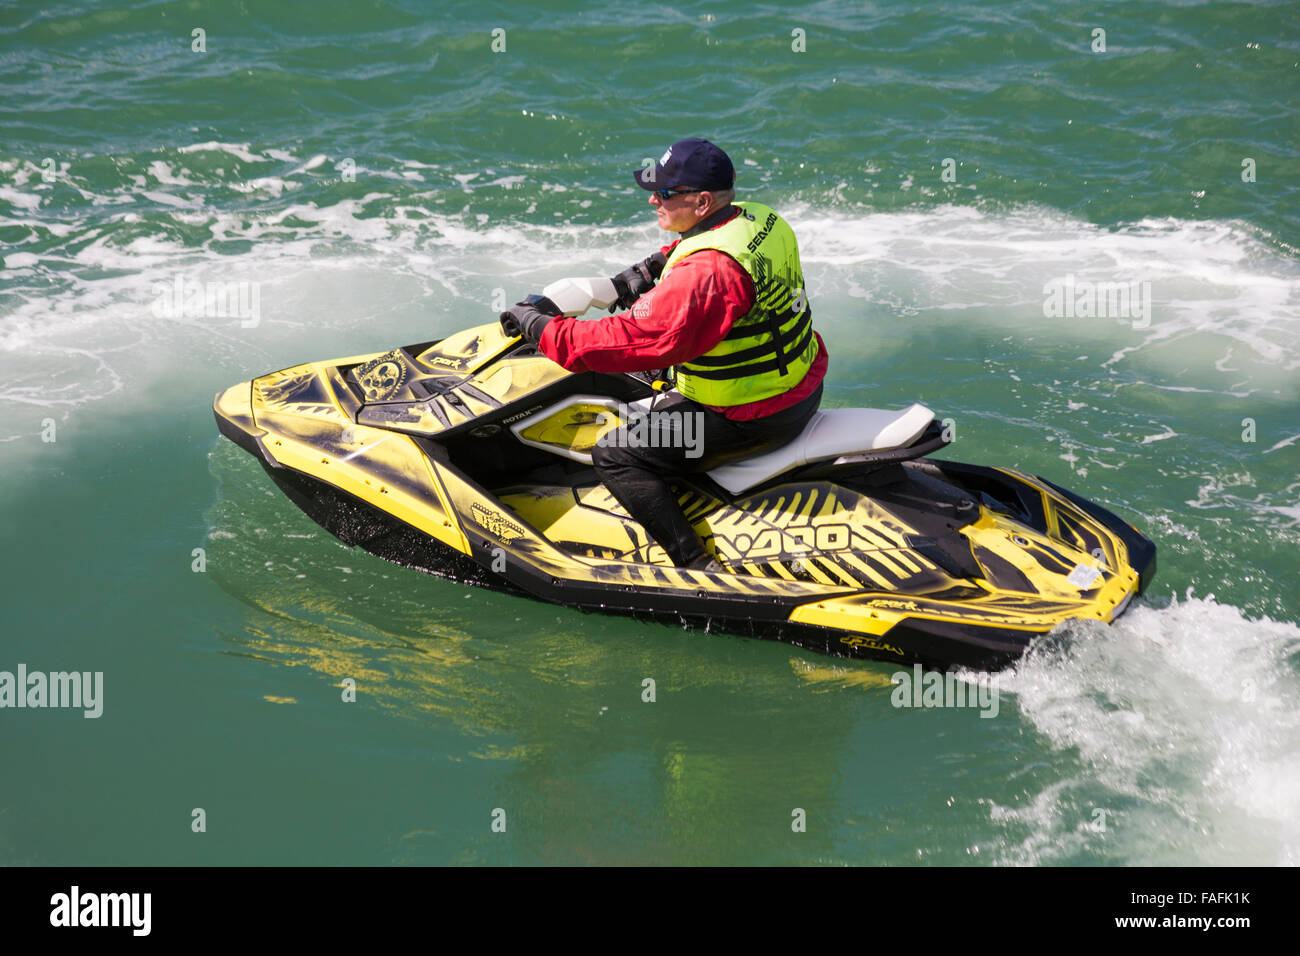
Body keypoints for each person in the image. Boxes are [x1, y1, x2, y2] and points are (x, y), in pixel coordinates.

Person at [500, 138, 828, 571]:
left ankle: (693, 563)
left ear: (702, 200)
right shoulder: (759, 219)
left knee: (616, 454)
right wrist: (636, 275)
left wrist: (540, 326)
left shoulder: (709, 273)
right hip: (799, 388)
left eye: (666, 194)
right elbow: (696, 245)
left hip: (747, 418)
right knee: (648, 378)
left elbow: (624, 339)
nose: (653, 199)